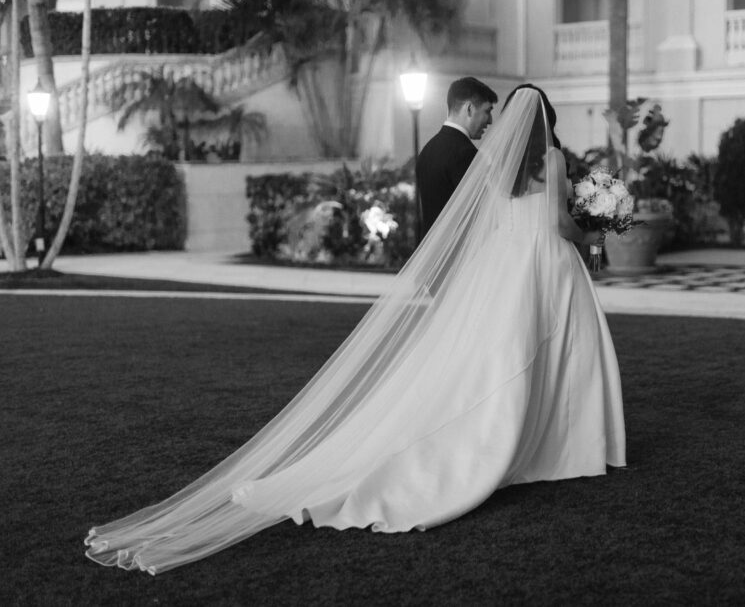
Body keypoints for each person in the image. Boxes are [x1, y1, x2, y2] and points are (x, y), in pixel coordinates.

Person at [84, 87, 626, 575]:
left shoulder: (495, 163)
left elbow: (489, 219)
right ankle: (560, 444)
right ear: (548, 119)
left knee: (501, 356)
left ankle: (524, 439)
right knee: (556, 351)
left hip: (503, 269)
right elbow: (558, 224)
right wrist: (594, 228)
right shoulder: (552, 159)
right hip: (548, 264)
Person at [415, 76, 497, 235]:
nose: (490, 121)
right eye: (487, 111)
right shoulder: (466, 154)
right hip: (458, 254)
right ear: (469, 109)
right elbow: (478, 216)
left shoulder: (427, 150)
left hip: (431, 254)